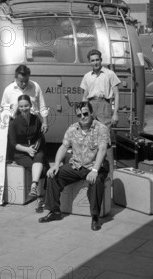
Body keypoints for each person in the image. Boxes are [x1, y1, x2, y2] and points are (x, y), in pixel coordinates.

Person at [38, 101, 110, 231]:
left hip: (95, 165)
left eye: (85, 113)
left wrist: (94, 170)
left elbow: (103, 149)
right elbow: (64, 146)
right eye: (79, 115)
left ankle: (95, 217)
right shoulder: (72, 128)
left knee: (96, 181)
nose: (82, 117)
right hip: (76, 165)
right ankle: (55, 211)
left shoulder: (101, 128)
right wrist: (56, 165)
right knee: (53, 176)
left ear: (91, 113)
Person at [80, 49, 120, 175]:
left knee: (105, 138)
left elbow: (117, 94)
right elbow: (85, 95)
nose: (95, 62)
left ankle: (111, 173)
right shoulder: (87, 76)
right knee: (90, 137)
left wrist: (115, 112)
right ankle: (93, 167)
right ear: (90, 62)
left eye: (97, 59)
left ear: (101, 60)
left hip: (104, 105)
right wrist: (83, 112)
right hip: (90, 105)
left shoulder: (109, 74)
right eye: (92, 60)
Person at [7, 95, 48, 212]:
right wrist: (27, 150)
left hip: (35, 150)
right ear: (18, 107)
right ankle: (40, 197)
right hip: (21, 153)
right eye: (21, 106)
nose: (24, 108)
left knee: (40, 155)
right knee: (42, 170)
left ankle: (34, 185)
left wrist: (34, 147)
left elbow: (40, 137)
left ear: (30, 106)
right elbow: (13, 144)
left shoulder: (36, 119)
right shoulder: (14, 123)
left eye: (26, 106)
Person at [1, 64, 49, 133]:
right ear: (15, 78)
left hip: (34, 124)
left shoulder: (35, 87)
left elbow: (42, 107)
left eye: (26, 81)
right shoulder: (8, 90)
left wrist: (45, 123)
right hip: (15, 126)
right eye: (21, 81)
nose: (24, 83)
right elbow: (3, 110)